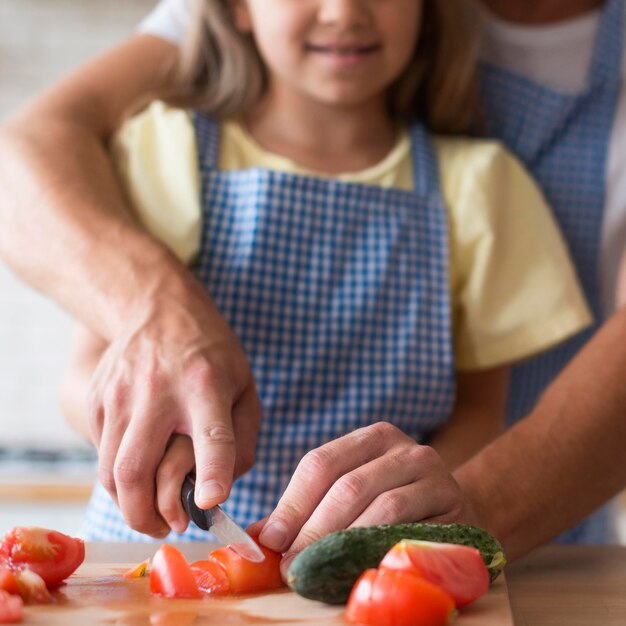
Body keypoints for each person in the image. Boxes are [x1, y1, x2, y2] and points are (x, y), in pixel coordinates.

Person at [0, 0, 622, 563]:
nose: (343, 12)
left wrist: (403, 509)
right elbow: (87, 374)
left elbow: (482, 413)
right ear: (237, 9)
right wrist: (147, 441)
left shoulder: (484, 189)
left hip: (367, 562)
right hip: (152, 556)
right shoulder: (161, 147)